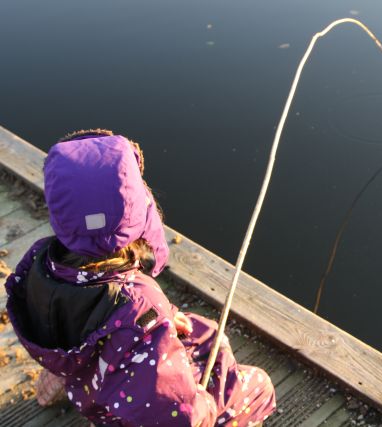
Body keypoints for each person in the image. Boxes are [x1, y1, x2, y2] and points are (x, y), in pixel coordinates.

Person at [4, 129, 276, 426]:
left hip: (83, 366)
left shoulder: (40, 261)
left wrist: (163, 318)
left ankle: (61, 374)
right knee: (259, 385)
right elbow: (178, 418)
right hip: (121, 406)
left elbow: (100, 315)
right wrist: (204, 403)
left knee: (204, 331)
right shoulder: (141, 306)